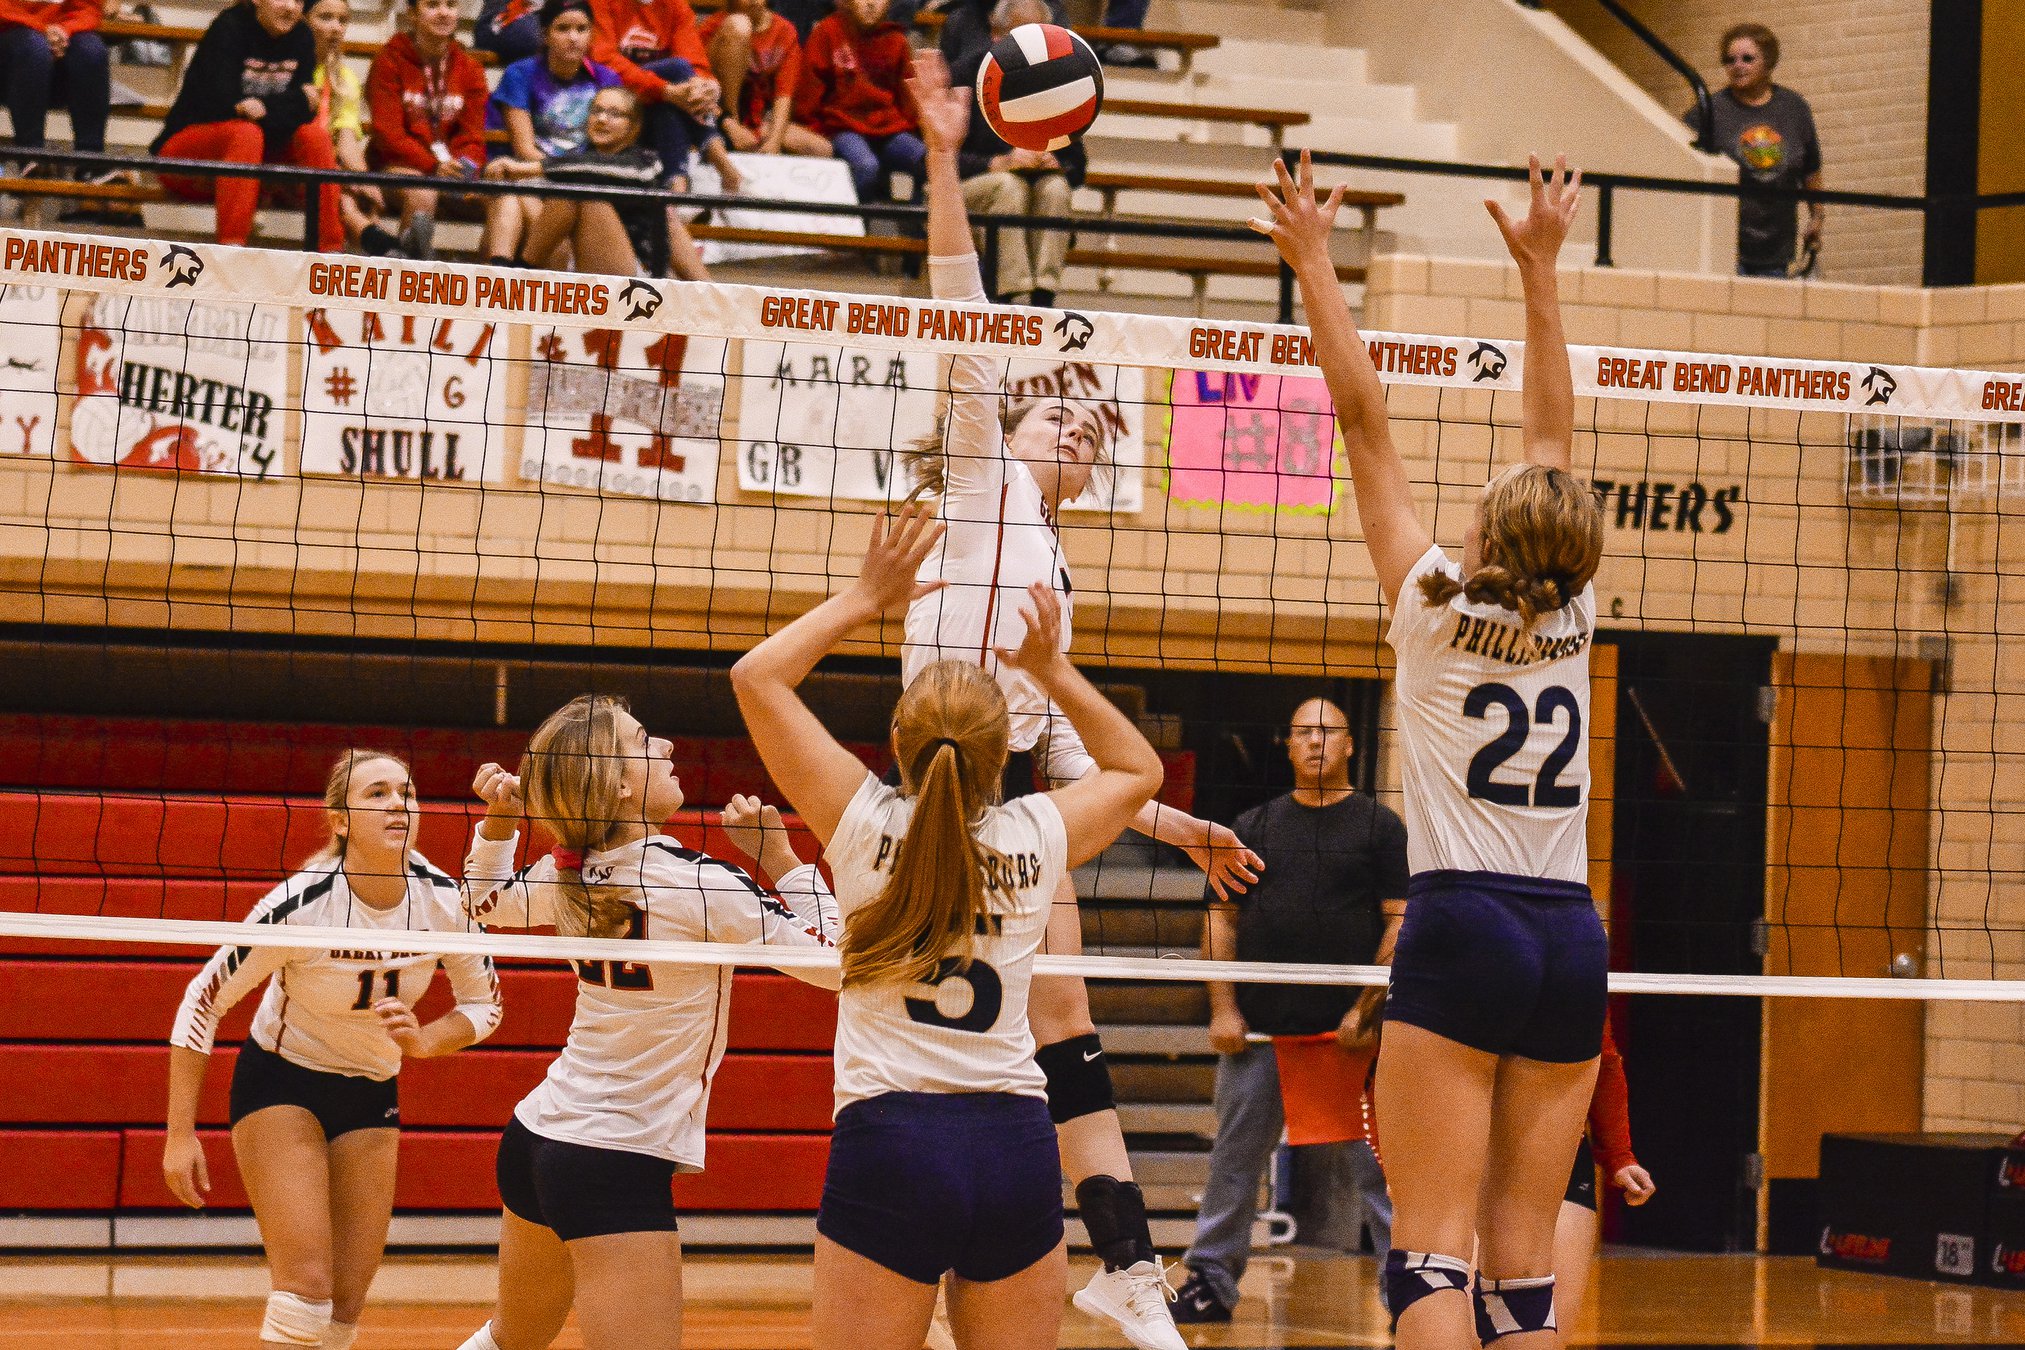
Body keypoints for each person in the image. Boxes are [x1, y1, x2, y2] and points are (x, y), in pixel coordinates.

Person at [888, 53, 1262, 1350]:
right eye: (1070, 412)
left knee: (1051, 1022)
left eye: (1102, 425)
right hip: (933, 793)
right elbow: (954, 303)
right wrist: (944, 159)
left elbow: (1063, 759)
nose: (1087, 427)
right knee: (965, 1037)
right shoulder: (982, 483)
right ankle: (1042, 1276)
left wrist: (1180, 831)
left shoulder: (1052, 553)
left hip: (1008, 802)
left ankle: (1123, 1270)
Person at [1254, 149, 1606, 1350]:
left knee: (1429, 1256)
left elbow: (1360, 413)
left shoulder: (1434, 602)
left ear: (1490, 521)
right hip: (1570, 933)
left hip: (1463, 925)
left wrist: (1312, 261)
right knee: (1524, 1277)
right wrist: (1542, 271)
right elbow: (1552, 432)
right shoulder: (1574, 613)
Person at [729, 502, 1166, 1350]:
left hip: (890, 1142)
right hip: (1013, 1145)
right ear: (1003, 754)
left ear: (895, 738)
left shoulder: (857, 824)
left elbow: (757, 678)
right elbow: (1138, 768)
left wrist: (866, 596)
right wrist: (1055, 668)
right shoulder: (1039, 833)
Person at [454, 699, 839, 1350]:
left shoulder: (566, 871)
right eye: (642, 741)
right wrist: (781, 856)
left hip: (536, 1140)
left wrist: (497, 825)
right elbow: (836, 965)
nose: (663, 744)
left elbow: (482, 904)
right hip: (612, 1159)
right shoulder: (698, 885)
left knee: (508, 1340)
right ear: (621, 783)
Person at [162, 750, 503, 1350]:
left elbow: (486, 1005)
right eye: (377, 793)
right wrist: (178, 1134)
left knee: (346, 1300)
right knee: (307, 1285)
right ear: (339, 819)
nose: (399, 803)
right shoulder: (301, 905)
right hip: (282, 1082)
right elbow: (202, 999)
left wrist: (425, 1043)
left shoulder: (444, 900)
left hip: (372, 1089)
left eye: (407, 791)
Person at [1171, 697, 1409, 1324]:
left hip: (1347, 1037)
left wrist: (1369, 1010)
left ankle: (1405, 1292)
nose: (1315, 742)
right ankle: (1210, 1280)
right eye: (1304, 731)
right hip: (1261, 1035)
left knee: (1377, 1170)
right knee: (1234, 1159)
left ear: (1352, 745)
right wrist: (1223, 1008)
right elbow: (1221, 917)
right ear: (1288, 744)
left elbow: (1399, 922)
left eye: (1328, 731)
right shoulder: (1253, 827)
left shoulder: (1380, 829)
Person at [151, 0, 342, 251]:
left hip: (254, 166)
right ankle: (232, 250)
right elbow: (217, 104)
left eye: (298, 1)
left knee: (314, 136)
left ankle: (331, 251)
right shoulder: (229, 27)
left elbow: (305, 112)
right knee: (245, 132)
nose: (291, 8)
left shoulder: (302, 36)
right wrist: (290, 103)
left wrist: (262, 108)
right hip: (188, 155)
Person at [949, 0, 1082, 306]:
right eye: (1022, 38)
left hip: (1027, 192)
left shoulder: (1056, 83)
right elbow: (935, 157)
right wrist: (997, 162)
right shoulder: (965, 75)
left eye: (1040, 38)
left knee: (1056, 189)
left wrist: (1056, 162)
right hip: (959, 189)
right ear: (997, 35)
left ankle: (1043, 294)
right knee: (1009, 187)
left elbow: (1079, 165)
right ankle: (1013, 296)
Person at [506, 84, 710, 278]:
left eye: (614, 114)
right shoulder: (576, 161)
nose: (602, 119)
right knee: (524, 194)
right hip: (573, 258)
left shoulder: (645, 161)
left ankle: (522, 271)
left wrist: (535, 167)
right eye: (596, 111)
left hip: (637, 274)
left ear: (633, 126)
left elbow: (602, 171)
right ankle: (510, 270)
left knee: (584, 193)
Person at [482, 0, 621, 265]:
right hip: (532, 175)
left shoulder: (608, 80)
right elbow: (524, 150)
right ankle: (498, 278)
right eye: (563, 29)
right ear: (545, 34)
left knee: (519, 206)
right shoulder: (520, 74)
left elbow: (607, 153)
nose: (573, 38)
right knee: (510, 199)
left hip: (584, 182)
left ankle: (501, 277)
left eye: (582, 29)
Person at [1695, 22, 1822, 278]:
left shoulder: (1793, 107)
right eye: (1729, 60)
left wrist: (1817, 216)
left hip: (1775, 247)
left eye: (1747, 59)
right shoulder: (1710, 111)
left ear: (1768, 62)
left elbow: (1811, 168)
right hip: (1726, 245)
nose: (1737, 66)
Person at [365, 0, 489, 260]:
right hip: (396, 165)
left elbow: (472, 136)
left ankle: (479, 288)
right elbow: (388, 134)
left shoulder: (471, 69)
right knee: (423, 194)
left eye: (451, 5)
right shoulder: (389, 61)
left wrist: (463, 165)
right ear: (412, 14)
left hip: (449, 170)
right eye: (433, 5)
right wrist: (433, 166)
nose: (444, 12)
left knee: (506, 200)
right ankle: (405, 279)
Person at [1553, 1014, 1654, 1329]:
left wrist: (1619, 1157)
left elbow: (1605, 1060)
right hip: (1472, 1151)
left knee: (1550, 1325)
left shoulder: (1578, 968)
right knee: (1470, 1322)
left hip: (1563, 1149)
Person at [588, 0, 742, 192]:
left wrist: (706, 86)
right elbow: (604, 62)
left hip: (658, 106)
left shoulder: (675, 5)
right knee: (676, 69)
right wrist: (665, 89)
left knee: (669, 101)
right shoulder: (601, 3)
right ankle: (717, 155)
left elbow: (695, 62)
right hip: (612, 100)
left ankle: (677, 187)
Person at [795, 0, 921, 202]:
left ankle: (918, 229)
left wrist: (912, 127)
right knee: (866, 166)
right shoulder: (828, 32)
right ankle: (856, 229)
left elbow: (907, 100)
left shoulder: (897, 40)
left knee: (925, 159)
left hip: (888, 129)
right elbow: (808, 95)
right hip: (843, 128)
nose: (871, 3)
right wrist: (819, 132)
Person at [303, 0, 396, 255]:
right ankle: (388, 249)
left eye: (342, 20)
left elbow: (346, 138)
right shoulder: (292, 68)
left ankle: (387, 252)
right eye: (325, 18)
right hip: (294, 164)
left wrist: (364, 181)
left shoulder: (344, 78)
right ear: (304, 20)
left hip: (328, 170)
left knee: (359, 194)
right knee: (341, 193)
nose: (336, 27)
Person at [699, 0, 829, 156]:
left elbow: (784, 95)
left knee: (822, 149)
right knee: (739, 24)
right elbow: (696, 84)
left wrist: (774, 141)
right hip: (720, 116)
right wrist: (730, 125)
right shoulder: (716, 25)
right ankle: (732, 132)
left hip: (759, 120)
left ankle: (751, 142)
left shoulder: (784, 31)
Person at [0, 0, 110, 171]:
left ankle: (91, 161)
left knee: (92, 51)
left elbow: (87, 7)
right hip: (10, 36)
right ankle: (31, 155)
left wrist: (63, 31)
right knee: (33, 47)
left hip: (59, 37)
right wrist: (42, 30)